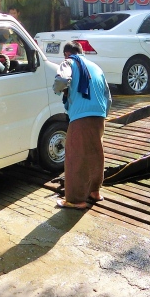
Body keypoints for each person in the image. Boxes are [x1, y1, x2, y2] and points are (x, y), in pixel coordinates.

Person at [53, 41, 111, 209]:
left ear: (67, 54)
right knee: (95, 152)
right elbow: (108, 95)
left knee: (75, 156)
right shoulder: (96, 67)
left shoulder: (69, 62)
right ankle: (95, 191)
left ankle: (76, 199)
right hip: (99, 114)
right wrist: (103, 115)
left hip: (81, 115)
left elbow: (62, 79)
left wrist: (58, 90)